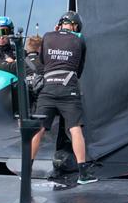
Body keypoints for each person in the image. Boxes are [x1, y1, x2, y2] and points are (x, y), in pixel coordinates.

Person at [30, 11, 96, 185]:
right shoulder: (79, 39)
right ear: (75, 26)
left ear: (59, 24)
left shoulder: (47, 36)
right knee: (75, 128)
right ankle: (83, 175)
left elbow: (42, 62)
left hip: (48, 88)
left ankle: (27, 170)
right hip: (68, 89)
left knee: (38, 129)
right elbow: (79, 70)